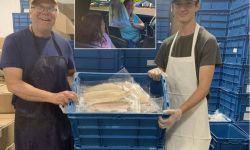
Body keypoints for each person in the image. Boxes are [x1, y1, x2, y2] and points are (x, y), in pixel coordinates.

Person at [0, 0, 78, 149]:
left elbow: (70, 74)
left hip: (61, 121)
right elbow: (14, 85)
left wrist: (80, 92)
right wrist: (53, 97)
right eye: (40, 7)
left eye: (51, 8)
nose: (46, 12)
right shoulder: (14, 42)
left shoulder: (63, 43)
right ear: (30, 10)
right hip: (31, 125)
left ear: (57, 13)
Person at [148, 0, 221, 149]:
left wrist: (179, 112)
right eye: (178, 4)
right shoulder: (167, 45)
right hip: (170, 124)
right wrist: (156, 73)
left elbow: (204, 88)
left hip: (193, 122)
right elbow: (160, 79)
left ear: (197, 6)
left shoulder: (207, 41)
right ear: (172, 7)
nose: (183, 8)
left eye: (188, 3)